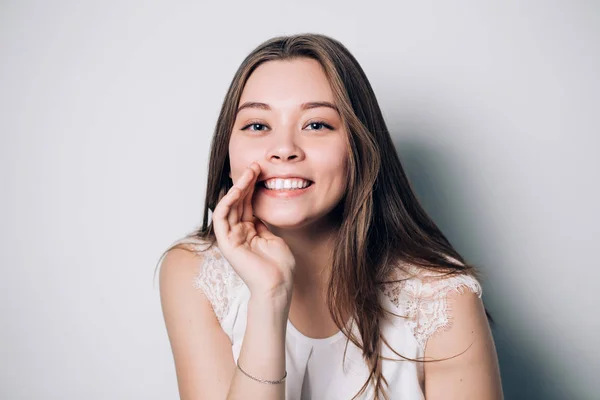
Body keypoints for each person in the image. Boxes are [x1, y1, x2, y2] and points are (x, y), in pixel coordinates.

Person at [157, 33, 503, 400]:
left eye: (316, 124)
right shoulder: (193, 273)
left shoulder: (444, 300)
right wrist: (270, 295)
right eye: (257, 126)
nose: (284, 149)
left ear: (360, 148)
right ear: (228, 155)